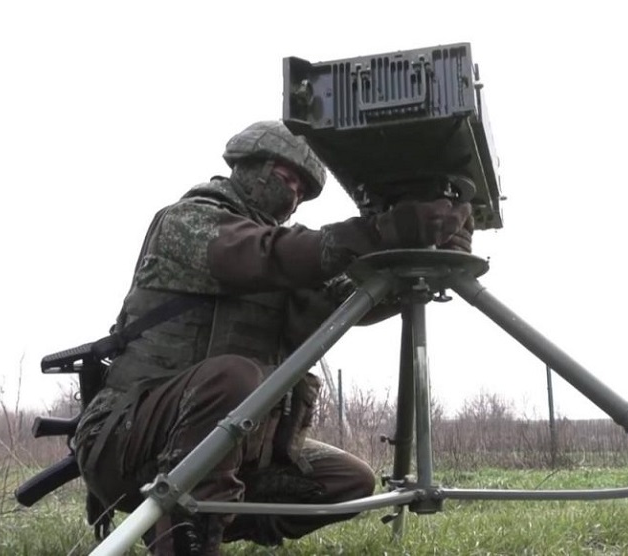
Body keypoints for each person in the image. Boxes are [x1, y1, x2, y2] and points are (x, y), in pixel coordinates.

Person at [71, 120, 473, 555]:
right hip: (126, 440)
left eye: (302, 191)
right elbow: (262, 255)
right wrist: (373, 233)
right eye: (285, 178)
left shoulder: (285, 259)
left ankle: (211, 520)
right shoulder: (189, 221)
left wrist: (419, 260)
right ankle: (182, 540)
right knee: (236, 377)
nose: (292, 195)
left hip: (232, 449)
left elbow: (340, 299)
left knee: (350, 481)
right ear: (248, 166)